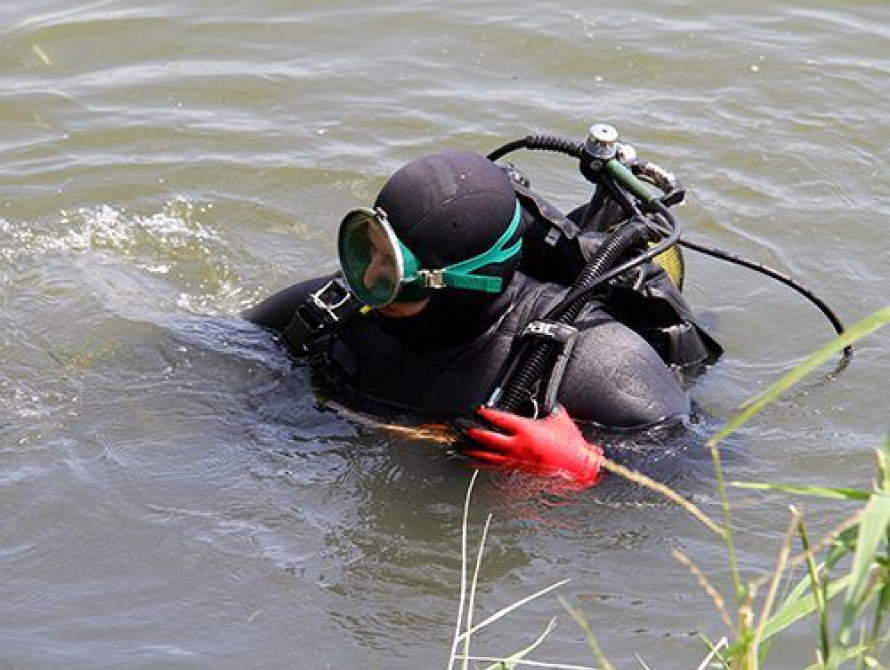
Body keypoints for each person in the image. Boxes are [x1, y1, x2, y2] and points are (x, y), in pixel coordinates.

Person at [243, 148, 721, 487]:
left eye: (393, 271)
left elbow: (698, 470)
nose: (367, 281)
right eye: (367, 249)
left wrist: (588, 467)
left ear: (462, 284)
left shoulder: (601, 363)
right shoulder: (335, 312)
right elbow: (217, 349)